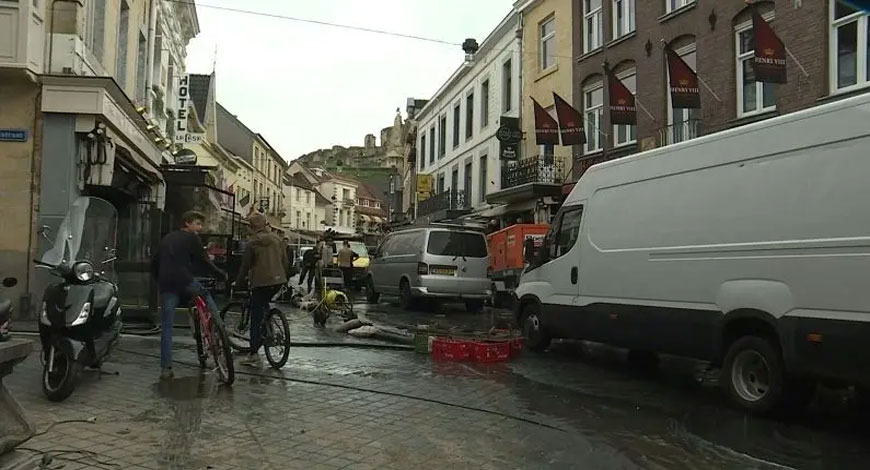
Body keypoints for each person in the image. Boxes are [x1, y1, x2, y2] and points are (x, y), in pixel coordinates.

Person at [151, 210, 226, 380]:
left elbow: (155, 262)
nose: (200, 228)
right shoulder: (192, 238)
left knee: (167, 327)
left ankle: (166, 368)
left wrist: (159, 281)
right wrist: (220, 274)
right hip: (185, 281)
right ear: (187, 223)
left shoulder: (167, 238)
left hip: (167, 284)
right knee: (205, 295)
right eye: (197, 224)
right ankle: (219, 326)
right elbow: (204, 261)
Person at [234, 213, 288, 367]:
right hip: (278, 280)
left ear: (251, 227)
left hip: (261, 282)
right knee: (264, 304)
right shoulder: (277, 239)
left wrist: (238, 284)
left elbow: (245, 266)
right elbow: (285, 261)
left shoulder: (252, 243)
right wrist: (283, 277)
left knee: (255, 317)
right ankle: (269, 326)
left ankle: (253, 354)